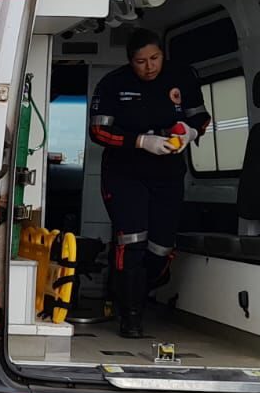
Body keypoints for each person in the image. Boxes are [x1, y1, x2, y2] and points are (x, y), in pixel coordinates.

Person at [88, 28, 212, 339]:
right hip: (125, 173)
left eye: (154, 58)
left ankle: (138, 292)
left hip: (168, 175)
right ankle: (130, 317)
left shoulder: (182, 77)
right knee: (132, 241)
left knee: (160, 249)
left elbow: (202, 118)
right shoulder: (114, 84)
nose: (149, 66)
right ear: (131, 61)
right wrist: (141, 141)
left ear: (162, 55)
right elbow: (98, 132)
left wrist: (189, 132)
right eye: (141, 61)